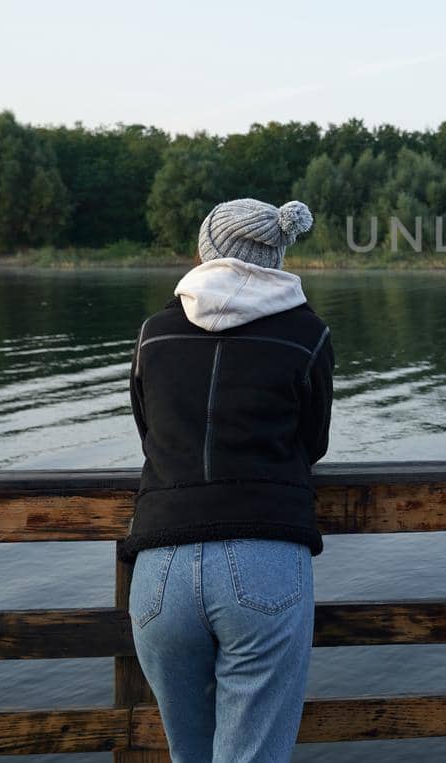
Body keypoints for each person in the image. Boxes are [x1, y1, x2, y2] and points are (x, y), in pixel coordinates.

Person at [121, 197, 334, 763]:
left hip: (160, 566)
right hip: (264, 558)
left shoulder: (155, 332)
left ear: (204, 251)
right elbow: (313, 442)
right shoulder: (307, 333)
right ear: (277, 255)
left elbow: (149, 433)